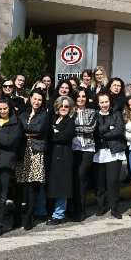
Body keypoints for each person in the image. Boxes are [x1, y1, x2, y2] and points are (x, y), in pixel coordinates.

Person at [16, 89, 48, 230]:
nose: (37, 102)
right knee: (21, 184)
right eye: (35, 99)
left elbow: (39, 129)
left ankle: (29, 216)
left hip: (36, 151)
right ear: (30, 99)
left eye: (39, 99)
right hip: (22, 150)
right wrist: (28, 130)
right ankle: (19, 216)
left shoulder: (44, 115)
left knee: (33, 185)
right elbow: (19, 128)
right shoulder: (23, 113)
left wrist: (26, 129)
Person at [0, 97, 23, 234]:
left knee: (3, 194)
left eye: (5, 108)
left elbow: (9, 141)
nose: (2, 111)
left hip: (6, 162)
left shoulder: (16, 122)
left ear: (9, 108)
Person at [94, 93, 126, 219]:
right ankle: (101, 207)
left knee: (113, 181)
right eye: (102, 102)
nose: (104, 104)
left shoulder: (116, 114)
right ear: (98, 104)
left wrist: (103, 134)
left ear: (110, 102)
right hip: (99, 152)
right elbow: (95, 132)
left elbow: (119, 130)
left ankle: (115, 208)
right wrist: (109, 127)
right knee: (100, 182)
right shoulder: (95, 115)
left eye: (106, 102)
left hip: (114, 152)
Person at [47, 96, 75, 225]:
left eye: (66, 106)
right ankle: (51, 212)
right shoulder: (53, 118)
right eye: (61, 106)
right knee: (54, 185)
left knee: (62, 186)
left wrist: (54, 133)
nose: (63, 108)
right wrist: (55, 133)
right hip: (53, 155)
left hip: (64, 156)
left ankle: (59, 214)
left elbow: (65, 137)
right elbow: (49, 134)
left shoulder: (70, 121)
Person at [70, 89, 97, 222]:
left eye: (83, 96)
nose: (81, 98)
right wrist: (80, 127)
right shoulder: (70, 111)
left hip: (87, 148)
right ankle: (73, 208)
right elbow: (68, 128)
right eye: (78, 96)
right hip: (73, 148)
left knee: (81, 177)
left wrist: (75, 128)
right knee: (74, 178)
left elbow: (90, 129)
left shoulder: (91, 112)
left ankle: (81, 210)